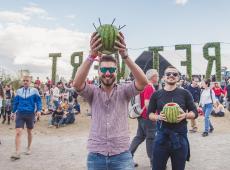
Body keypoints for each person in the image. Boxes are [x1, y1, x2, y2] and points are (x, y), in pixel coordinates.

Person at [73, 32, 148, 170]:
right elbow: (77, 84)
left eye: (112, 69)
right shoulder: (92, 92)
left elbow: (143, 82)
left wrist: (125, 56)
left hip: (122, 155)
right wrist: (91, 56)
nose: (108, 73)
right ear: (99, 72)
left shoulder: (125, 91)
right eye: (104, 69)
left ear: (117, 71)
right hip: (96, 155)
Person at [148, 66, 198, 170]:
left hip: (180, 138)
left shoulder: (185, 93)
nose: (171, 76)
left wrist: (185, 115)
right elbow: (150, 114)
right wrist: (158, 117)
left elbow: (195, 112)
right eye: (168, 74)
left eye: (175, 74)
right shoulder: (156, 95)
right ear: (163, 77)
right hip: (161, 138)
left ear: (178, 77)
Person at [129, 69, 158, 167]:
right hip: (148, 117)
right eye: (157, 76)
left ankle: (128, 158)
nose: (158, 77)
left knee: (139, 137)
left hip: (142, 116)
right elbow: (147, 103)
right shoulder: (149, 87)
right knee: (151, 139)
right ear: (153, 77)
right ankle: (153, 162)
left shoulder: (144, 85)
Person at [10, 75, 42, 160]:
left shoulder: (34, 91)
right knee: (18, 132)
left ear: (30, 82)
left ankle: (29, 147)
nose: (25, 82)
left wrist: (39, 110)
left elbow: (38, 101)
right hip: (20, 113)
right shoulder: (18, 91)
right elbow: (16, 103)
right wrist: (13, 112)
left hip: (30, 113)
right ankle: (17, 152)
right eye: (24, 80)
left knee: (29, 131)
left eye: (27, 80)